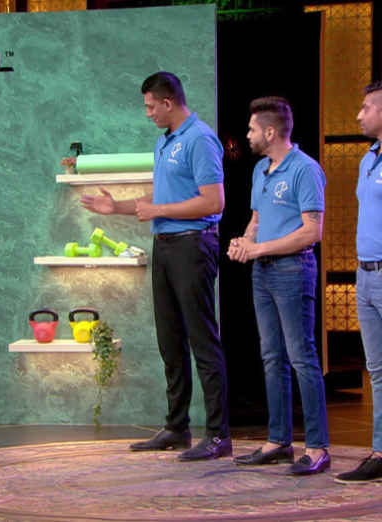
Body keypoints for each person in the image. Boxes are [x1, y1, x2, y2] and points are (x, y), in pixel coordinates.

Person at [80, 72, 231, 461]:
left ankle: (218, 435)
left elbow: (213, 202)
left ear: (168, 102)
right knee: (170, 341)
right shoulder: (164, 141)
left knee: (202, 340)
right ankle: (177, 427)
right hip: (163, 247)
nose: (148, 113)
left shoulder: (200, 139)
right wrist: (117, 207)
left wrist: (159, 209)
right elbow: (160, 197)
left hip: (192, 246)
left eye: (150, 106)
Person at [228, 97, 329, 476]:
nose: (247, 134)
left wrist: (259, 248)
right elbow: (256, 220)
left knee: (302, 357)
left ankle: (317, 447)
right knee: (272, 357)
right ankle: (278, 441)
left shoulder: (305, 169)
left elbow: (312, 231)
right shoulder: (260, 169)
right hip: (263, 272)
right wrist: (244, 241)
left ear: (270, 132)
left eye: (252, 129)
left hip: (292, 270)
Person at [335, 81, 382, 484]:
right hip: (365, 276)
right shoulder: (368, 158)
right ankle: (381, 452)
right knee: (377, 371)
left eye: (367, 107)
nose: (359, 114)